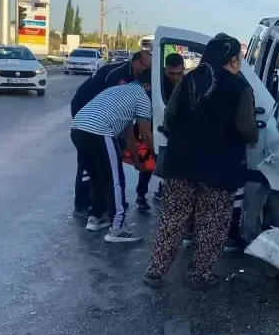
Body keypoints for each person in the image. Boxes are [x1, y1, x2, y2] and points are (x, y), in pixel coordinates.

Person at [144, 35, 258, 289]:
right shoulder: (240, 87)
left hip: (180, 163)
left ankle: (155, 272)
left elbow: (170, 117)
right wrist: (251, 138)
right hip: (219, 169)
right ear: (233, 59)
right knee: (212, 223)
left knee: (172, 219)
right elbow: (247, 128)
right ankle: (199, 276)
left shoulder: (188, 80)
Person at [71, 69, 154, 243]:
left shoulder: (117, 89)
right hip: (99, 132)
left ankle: (96, 217)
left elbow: (128, 133)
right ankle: (117, 228)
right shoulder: (143, 98)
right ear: (148, 85)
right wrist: (158, 154)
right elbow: (145, 134)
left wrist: (136, 160)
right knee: (115, 180)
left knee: (97, 176)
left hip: (77, 129)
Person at [148, 53, 186, 206]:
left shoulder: (188, 83)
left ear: (184, 69)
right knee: (151, 163)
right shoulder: (159, 83)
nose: (175, 77)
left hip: (178, 130)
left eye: (179, 73)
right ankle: (142, 194)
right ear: (165, 70)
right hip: (160, 127)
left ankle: (165, 187)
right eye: (171, 73)